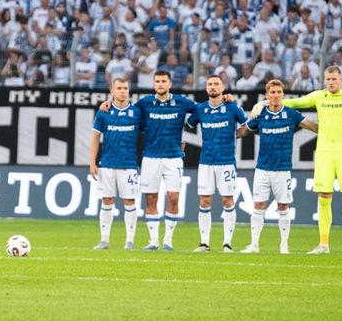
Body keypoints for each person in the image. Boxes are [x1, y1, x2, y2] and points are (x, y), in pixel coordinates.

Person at [277, 66, 342, 254]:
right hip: (324, 152)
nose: (330, 82)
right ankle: (323, 244)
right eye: (328, 79)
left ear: (341, 79)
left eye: (334, 79)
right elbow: (295, 102)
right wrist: (267, 102)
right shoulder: (318, 97)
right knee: (324, 197)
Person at [243, 79, 317, 253]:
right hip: (262, 168)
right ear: (267, 95)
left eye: (278, 92)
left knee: (283, 206)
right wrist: (225, 136)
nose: (276, 95)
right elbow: (244, 130)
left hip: (283, 169)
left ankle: (284, 245)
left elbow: (313, 127)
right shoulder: (260, 114)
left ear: (283, 95)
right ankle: (254, 244)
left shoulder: (291, 114)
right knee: (258, 205)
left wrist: (336, 127)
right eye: (272, 92)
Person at [129, 70, 199, 251]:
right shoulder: (145, 103)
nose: (160, 84)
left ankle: (168, 240)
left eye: (163, 81)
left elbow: (203, 109)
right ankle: (153, 241)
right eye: (157, 81)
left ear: (169, 84)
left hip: (173, 157)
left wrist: (225, 99)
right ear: (154, 84)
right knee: (151, 198)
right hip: (150, 158)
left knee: (173, 197)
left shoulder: (182, 102)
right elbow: (127, 111)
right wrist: (108, 104)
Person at [192, 74, 249, 252]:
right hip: (206, 162)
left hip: (226, 162)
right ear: (206, 88)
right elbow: (187, 123)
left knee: (227, 200)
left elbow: (247, 125)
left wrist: (236, 135)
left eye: (216, 84)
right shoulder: (200, 109)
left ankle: (227, 243)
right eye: (209, 84)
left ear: (223, 88)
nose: (213, 87)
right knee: (204, 201)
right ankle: (204, 243)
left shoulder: (232, 107)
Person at [90, 76, 143, 250]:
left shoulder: (136, 112)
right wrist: (92, 162)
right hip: (107, 164)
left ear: (128, 91)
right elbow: (95, 138)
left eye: (125, 88)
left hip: (128, 164)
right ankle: (104, 240)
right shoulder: (104, 112)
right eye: (119, 88)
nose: (122, 91)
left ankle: (130, 240)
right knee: (107, 200)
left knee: (129, 201)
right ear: (112, 91)